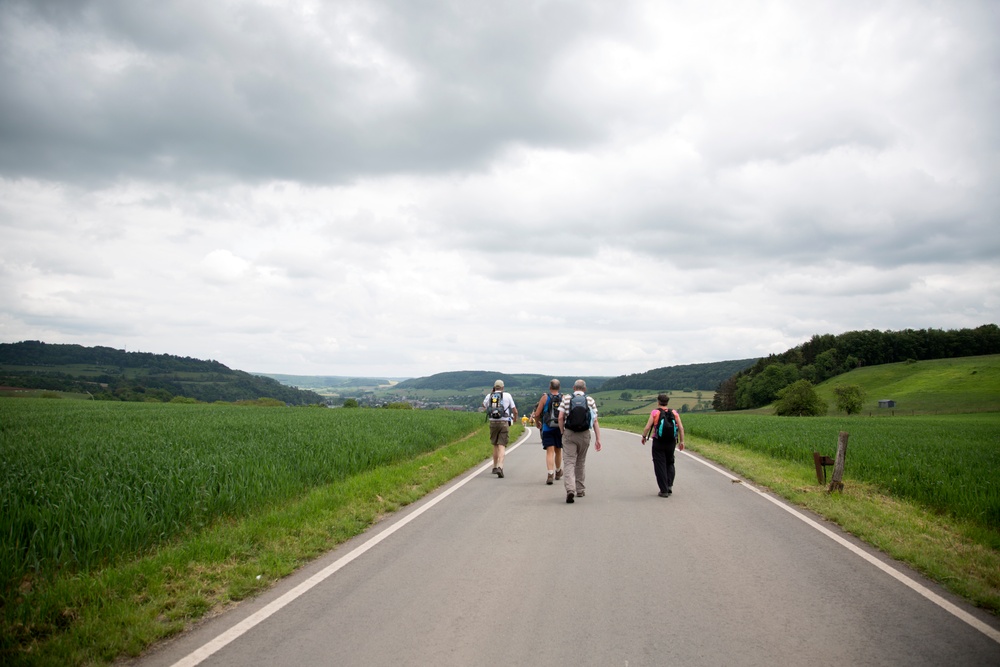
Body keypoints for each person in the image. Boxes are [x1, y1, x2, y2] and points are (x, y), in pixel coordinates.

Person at [558, 379, 601, 503]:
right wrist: (598, 438)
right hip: (584, 434)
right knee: (580, 462)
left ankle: (570, 489)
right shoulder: (590, 400)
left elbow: (561, 417)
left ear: (573, 388)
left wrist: (562, 431)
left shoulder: (566, 399)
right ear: (585, 389)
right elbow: (595, 420)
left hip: (569, 433)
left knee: (569, 462)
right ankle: (580, 490)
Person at [640, 394, 686, 497]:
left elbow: (647, 427)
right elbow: (681, 428)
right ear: (667, 402)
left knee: (659, 464)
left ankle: (664, 490)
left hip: (658, 441)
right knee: (670, 462)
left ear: (658, 401)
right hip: (671, 442)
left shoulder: (655, 412)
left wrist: (644, 437)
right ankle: (669, 485)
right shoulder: (674, 412)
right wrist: (682, 442)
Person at [532, 379, 564, 485]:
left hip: (547, 427)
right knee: (558, 450)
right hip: (559, 428)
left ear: (550, 387)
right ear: (559, 388)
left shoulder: (545, 397)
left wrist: (537, 423)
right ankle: (558, 471)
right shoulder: (563, 397)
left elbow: (537, 414)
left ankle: (550, 474)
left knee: (550, 451)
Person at [483, 379, 517, 478]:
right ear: (502, 387)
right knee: (501, 445)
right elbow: (515, 410)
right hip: (503, 422)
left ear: (494, 387)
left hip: (493, 422)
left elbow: (484, 406)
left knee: (495, 444)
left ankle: (494, 466)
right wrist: (514, 419)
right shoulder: (507, 396)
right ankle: (500, 467)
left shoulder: (489, 396)